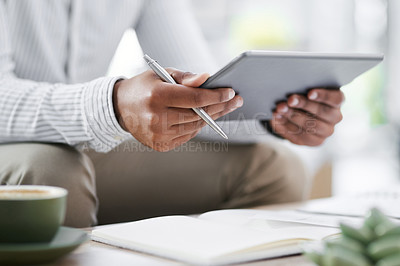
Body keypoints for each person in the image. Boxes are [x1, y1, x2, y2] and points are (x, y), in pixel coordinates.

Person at [0, 0, 344, 227]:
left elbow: (196, 91)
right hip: (21, 150)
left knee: (274, 167)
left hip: (82, 144)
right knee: (51, 173)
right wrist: (114, 103)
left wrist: (277, 114)